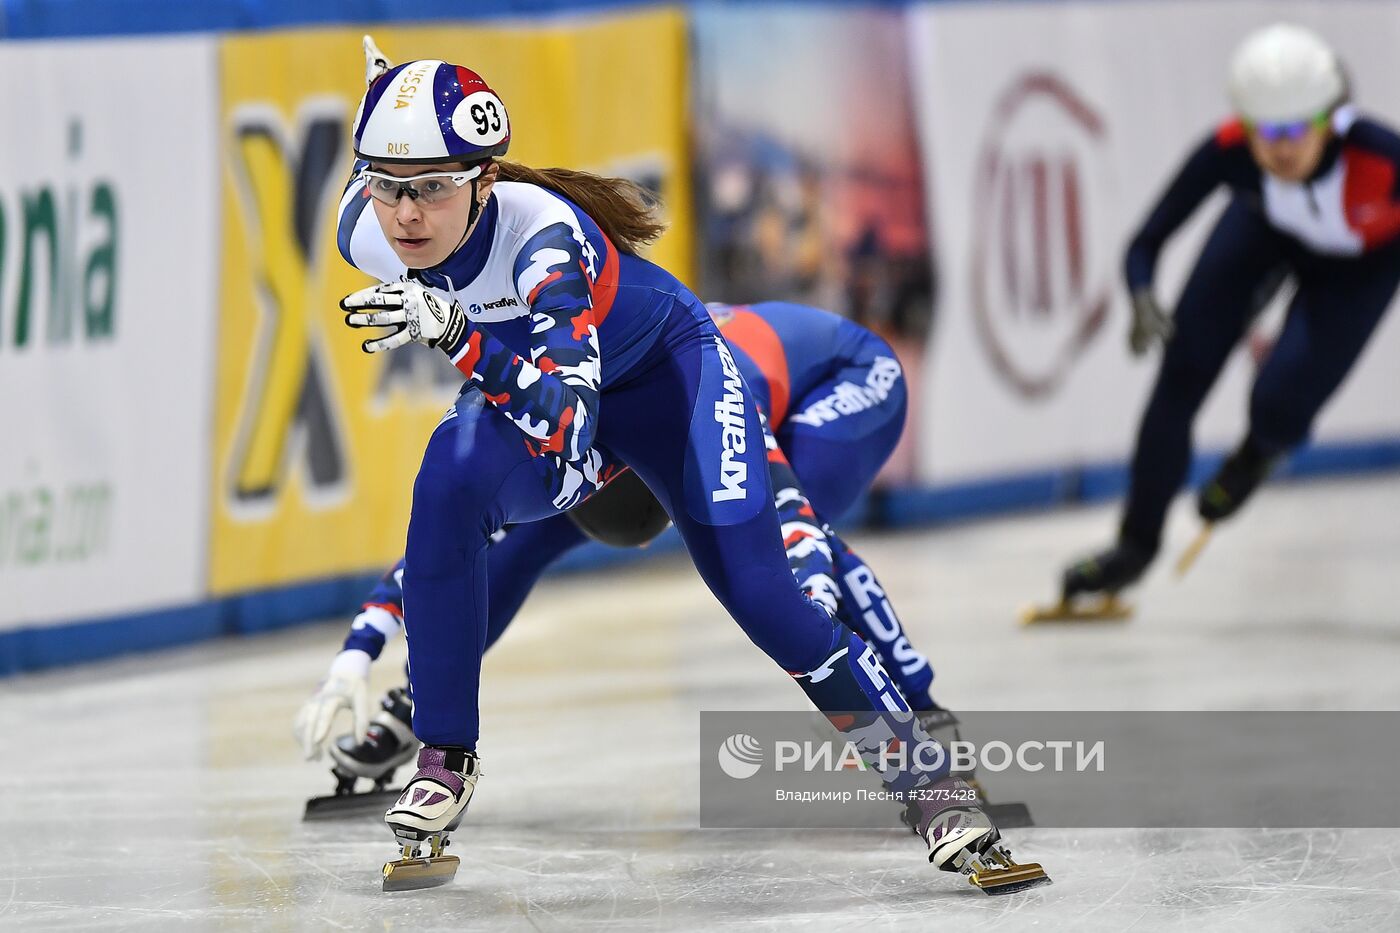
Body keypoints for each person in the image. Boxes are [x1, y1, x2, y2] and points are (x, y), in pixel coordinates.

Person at [309, 40, 1043, 892]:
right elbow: (530, 413)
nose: (404, 216)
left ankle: (927, 784)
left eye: (431, 188)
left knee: (764, 593)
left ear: (482, 181)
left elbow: (568, 424)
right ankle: (444, 752)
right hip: (553, 386)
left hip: (670, 383)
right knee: (446, 481)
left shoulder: (543, 241)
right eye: (387, 185)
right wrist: (356, 652)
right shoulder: (363, 231)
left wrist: (454, 331)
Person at [297, 302, 956, 787]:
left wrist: (812, 608)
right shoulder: (559, 423)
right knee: (520, 536)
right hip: (615, 437)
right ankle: (421, 706)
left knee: (772, 558)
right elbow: (438, 550)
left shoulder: (709, 404)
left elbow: (803, 526)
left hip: (848, 377)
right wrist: (356, 653)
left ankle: (924, 712)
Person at [1056, 23, 1400, 610]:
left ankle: (1258, 452)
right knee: (1179, 377)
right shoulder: (1230, 150)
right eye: (1266, 132)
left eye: (1296, 130)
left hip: (1361, 266)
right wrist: (1141, 295)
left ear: (1328, 119)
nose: (1281, 148)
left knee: (1279, 403)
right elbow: (1146, 239)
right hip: (1266, 233)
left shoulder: (1381, 157)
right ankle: (1135, 547)